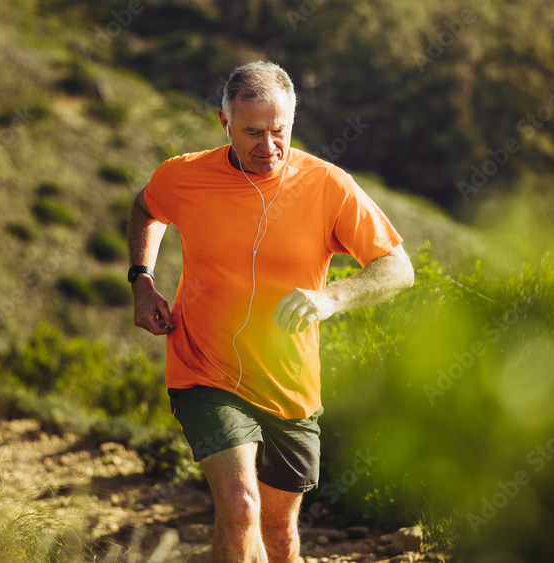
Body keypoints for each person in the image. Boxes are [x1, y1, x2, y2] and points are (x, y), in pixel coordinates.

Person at [127, 61, 414, 562]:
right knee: (240, 508)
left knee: (279, 538)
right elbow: (145, 209)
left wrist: (331, 298)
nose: (268, 146)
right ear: (224, 122)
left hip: (289, 386)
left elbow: (398, 267)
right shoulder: (185, 175)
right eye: (252, 132)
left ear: (293, 122)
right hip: (204, 371)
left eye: (279, 131)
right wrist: (142, 282)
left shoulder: (329, 185)